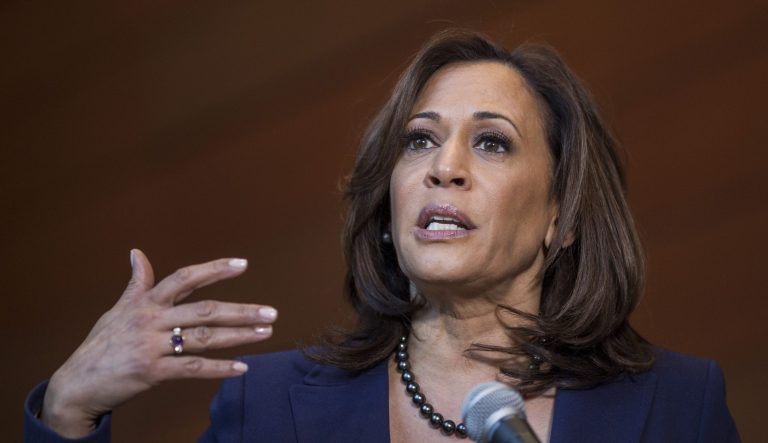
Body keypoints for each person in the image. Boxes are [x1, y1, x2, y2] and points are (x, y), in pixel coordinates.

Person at [24, 29, 739, 443]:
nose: (444, 168)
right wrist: (68, 410)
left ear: (564, 214)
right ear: (390, 204)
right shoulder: (268, 408)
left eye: (491, 144)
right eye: (419, 142)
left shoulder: (676, 405)